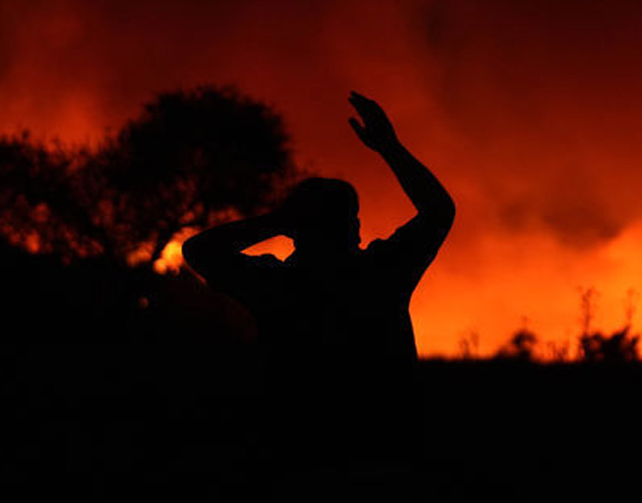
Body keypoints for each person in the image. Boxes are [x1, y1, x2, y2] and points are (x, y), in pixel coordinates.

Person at [182, 91, 455, 467]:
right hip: (386, 454)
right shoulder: (382, 273)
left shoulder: (274, 285)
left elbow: (199, 251)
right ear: (354, 228)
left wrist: (277, 221)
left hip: (297, 453)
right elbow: (439, 210)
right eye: (348, 217)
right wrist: (390, 148)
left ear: (296, 231)